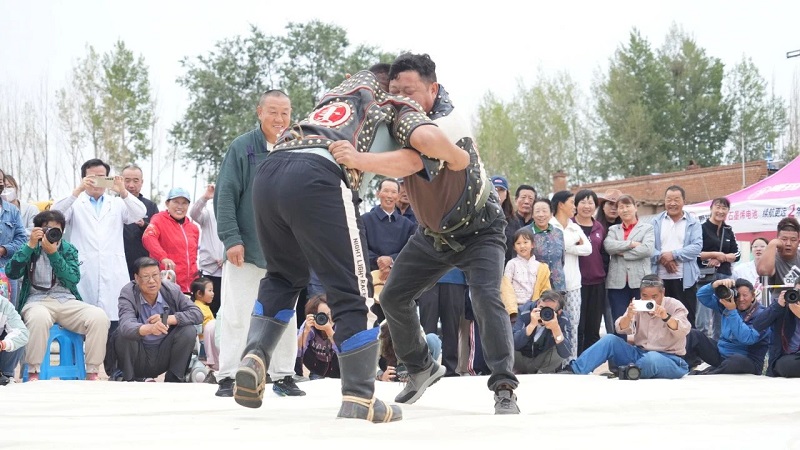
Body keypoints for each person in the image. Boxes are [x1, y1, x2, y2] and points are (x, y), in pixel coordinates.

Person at [233, 68, 471, 423]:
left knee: (284, 276)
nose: (409, 96)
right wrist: (457, 156)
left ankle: (255, 356)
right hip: (319, 175)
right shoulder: (397, 103)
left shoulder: (338, 92)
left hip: (271, 171)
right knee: (354, 292)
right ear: (391, 84)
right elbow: (424, 142)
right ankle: (360, 396)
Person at [376, 53, 518, 413]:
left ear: (432, 89)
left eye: (409, 91)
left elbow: (411, 160)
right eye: (395, 91)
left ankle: (504, 386)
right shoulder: (398, 118)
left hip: (480, 230)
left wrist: (358, 158)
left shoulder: (449, 121)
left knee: (485, 297)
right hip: (432, 235)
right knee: (393, 296)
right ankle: (421, 365)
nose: (401, 98)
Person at [213, 90, 302, 398]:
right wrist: (231, 239)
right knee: (237, 314)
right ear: (259, 112)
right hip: (246, 248)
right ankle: (228, 375)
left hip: (285, 251)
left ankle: (283, 375)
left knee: (285, 314)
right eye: (273, 112)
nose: (280, 119)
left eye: (285, 113)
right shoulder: (242, 147)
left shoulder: (297, 146)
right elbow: (225, 194)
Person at [51, 158, 146, 377]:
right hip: (84, 271)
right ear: (83, 178)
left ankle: (115, 371)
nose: (97, 181)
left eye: (102, 177)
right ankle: (76, 371)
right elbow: (55, 215)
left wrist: (123, 191)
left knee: (114, 323)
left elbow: (139, 213)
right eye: (92, 177)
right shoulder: (76, 202)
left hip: (112, 271)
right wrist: (77, 191)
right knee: (81, 320)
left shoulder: (117, 203)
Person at [5, 210, 110, 381]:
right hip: (36, 300)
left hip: (66, 300)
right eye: (47, 229)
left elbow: (72, 279)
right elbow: (11, 272)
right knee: (38, 318)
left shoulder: (68, 249)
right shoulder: (30, 247)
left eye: (56, 230)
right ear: (38, 230)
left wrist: (54, 254)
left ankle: (92, 371)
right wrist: (29, 246)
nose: (51, 234)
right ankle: (33, 371)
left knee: (99, 316)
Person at [563, 274, 691, 379]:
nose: (649, 300)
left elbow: (683, 330)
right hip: (640, 354)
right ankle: (576, 369)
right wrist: (629, 316)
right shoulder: (638, 305)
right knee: (609, 339)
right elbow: (620, 328)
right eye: (645, 296)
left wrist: (665, 316)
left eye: (654, 297)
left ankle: (631, 371)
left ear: (663, 293)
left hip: (669, 358)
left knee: (651, 359)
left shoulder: (674, 305)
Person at [115, 257, 203, 382]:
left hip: (163, 352)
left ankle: (174, 379)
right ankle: (130, 378)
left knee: (188, 330)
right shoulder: (128, 292)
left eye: (155, 275)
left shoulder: (171, 290)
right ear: (136, 278)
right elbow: (126, 325)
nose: (152, 281)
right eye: (146, 277)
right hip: (139, 354)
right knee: (121, 333)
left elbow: (197, 314)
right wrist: (150, 329)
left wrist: (167, 319)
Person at [684, 278, 768, 375]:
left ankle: (707, 373)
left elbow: (747, 338)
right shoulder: (727, 305)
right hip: (722, 354)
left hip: (747, 360)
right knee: (693, 334)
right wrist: (714, 285)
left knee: (735, 361)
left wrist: (732, 311)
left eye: (745, 295)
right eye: (738, 295)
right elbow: (702, 296)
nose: (741, 299)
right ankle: (684, 367)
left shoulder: (762, 314)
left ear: (753, 296)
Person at [651, 185, 702, 325]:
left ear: (684, 201)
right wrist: (663, 258)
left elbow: (696, 247)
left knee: (686, 319)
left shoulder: (693, 223)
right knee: (660, 320)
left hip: (685, 280)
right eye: (669, 199)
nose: (672, 203)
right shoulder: (655, 222)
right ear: (664, 201)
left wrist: (673, 255)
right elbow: (648, 247)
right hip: (659, 280)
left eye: (676, 199)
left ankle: (688, 340)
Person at [604, 195, 654, 337]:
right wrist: (631, 244)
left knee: (643, 320)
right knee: (620, 322)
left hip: (640, 282)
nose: (625, 210)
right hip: (617, 284)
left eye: (628, 206)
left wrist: (622, 253)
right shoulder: (613, 229)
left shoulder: (647, 228)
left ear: (635, 207)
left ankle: (643, 350)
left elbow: (647, 250)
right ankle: (620, 351)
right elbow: (608, 246)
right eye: (621, 207)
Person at [755, 217, 800, 377]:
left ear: (799, 240)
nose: (788, 243)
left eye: (793, 240)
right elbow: (764, 271)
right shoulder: (772, 257)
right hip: (781, 310)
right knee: (783, 364)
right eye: (783, 239)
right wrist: (773, 244)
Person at [549, 190, 591, 360]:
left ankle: (571, 361)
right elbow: (558, 244)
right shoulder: (550, 225)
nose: (575, 207)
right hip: (552, 286)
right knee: (552, 323)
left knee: (573, 324)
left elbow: (588, 249)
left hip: (573, 284)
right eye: (572, 202)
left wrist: (567, 247)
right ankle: (554, 362)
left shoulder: (575, 226)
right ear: (561, 204)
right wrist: (573, 242)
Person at [696, 197, 740, 340]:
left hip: (724, 276)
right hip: (705, 277)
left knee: (721, 315)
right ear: (711, 209)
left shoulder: (728, 230)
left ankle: (719, 346)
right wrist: (714, 254)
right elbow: (695, 253)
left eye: (724, 208)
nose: (720, 211)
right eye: (718, 207)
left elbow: (737, 254)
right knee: (702, 316)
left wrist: (722, 257)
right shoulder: (701, 228)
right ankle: (700, 347)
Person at [142, 188, 200, 294]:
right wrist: (163, 257)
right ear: (167, 203)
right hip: (166, 284)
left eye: (184, 203)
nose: (180, 206)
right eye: (176, 202)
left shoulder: (193, 228)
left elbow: (193, 257)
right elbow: (148, 237)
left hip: (190, 288)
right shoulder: (158, 220)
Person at [572, 189, 606, 354]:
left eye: (590, 202)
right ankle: (577, 361)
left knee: (593, 327)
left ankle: (591, 361)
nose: (587, 206)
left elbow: (603, 255)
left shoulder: (599, 227)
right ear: (576, 205)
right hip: (577, 284)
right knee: (578, 326)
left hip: (597, 283)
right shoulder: (570, 226)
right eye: (583, 202)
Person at [512, 290, 571, 374]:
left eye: (549, 311)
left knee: (560, 341)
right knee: (505, 341)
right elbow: (514, 344)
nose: (543, 313)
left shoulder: (563, 319)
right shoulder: (525, 311)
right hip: (521, 358)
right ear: (538, 303)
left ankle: (541, 375)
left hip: (542, 362)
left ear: (559, 312)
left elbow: (566, 353)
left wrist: (556, 329)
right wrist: (531, 325)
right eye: (541, 308)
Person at [120, 164, 160, 280]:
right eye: (127, 180)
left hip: (143, 261)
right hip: (119, 260)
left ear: (142, 182)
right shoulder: (113, 203)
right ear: (121, 181)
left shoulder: (150, 205)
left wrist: (144, 225)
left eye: (136, 181)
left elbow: (158, 232)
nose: (131, 185)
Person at [189, 185, 224, 315]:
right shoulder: (209, 213)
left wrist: (226, 258)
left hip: (228, 272)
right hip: (209, 272)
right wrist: (205, 197)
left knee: (224, 311)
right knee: (206, 310)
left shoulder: (238, 215)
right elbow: (194, 213)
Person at [503, 227, 551, 307]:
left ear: (532, 244)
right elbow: (506, 287)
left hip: (534, 306)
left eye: (525, 242)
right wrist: (512, 309)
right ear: (514, 247)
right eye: (518, 243)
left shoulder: (540, 267)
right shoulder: (512, 264)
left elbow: (545, 290)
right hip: (517, 306)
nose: (522, 246)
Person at [596, 188, 622, 335]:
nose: (614, 208)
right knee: (608, 315)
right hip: (601, 278)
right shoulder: (595, 227)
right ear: (603, 206)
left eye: (617, 205)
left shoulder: (625, 227)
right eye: (610, 204)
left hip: (623, 278)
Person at [295, 294, 339, 380]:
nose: (327, 318)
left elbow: (343, 353)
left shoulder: (339, 324)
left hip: (337, 368)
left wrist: (329, 331)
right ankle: (296, 377)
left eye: (330, 314)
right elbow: (298, 352)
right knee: (296, 338)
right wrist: (306, 332)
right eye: (322, 315)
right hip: (317, 366)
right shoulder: (309, 325)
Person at [0, 168, 27, 307]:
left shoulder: (12, 211)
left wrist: (4, 249)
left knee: (8, 313)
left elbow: (22, 239)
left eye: (0, 181)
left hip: (7, 270)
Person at [531, 197, 566, 291]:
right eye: (537, 211)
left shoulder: (558, 233)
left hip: (558, 286)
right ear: (532, 214)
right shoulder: (526, 233)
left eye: (544, 211)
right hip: (535, 285)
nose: (541, 214)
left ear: (551, 214)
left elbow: (562, 260)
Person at [191, 277, 218, 372]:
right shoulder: (198, 308)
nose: (213, 293)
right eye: (210, 290)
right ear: (199, 293)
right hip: (203, 342)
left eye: (212, 290)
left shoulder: (203, 306)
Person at [0, 293, 28, 385]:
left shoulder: (4, 304)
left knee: (17, 337)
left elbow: (22, 333)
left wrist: (3, 344)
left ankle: (6, 375)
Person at [732, 237, 768, 304]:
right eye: (755, 247)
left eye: (762, 246)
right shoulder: (741, 269)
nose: (758, 249)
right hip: (747, 305)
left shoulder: (774, 268)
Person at [505, 184, 537, 262]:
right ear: (516, 200)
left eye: (530, 199)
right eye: (523, 197)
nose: (526, 202)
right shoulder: (507, 222)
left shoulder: (538, 224)